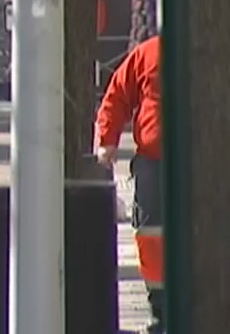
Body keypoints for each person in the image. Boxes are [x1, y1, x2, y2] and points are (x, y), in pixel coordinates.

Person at [94, 34, 164, 334]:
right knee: (150, 233)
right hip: (155, 160)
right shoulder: (149, 52)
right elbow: (118, 95)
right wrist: (106, 140)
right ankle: (161, 306)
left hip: (202, 161)